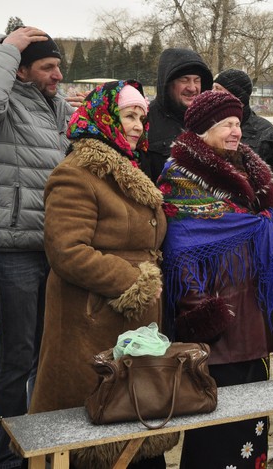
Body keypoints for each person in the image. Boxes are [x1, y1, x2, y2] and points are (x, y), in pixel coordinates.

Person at [31, 81, 174, 468]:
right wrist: (133, 281)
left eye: (142, 117)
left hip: (130, 323)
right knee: (89, 436)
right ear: (104, 118)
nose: (139, 126)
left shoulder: (127, 169)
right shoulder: (75, 174)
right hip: (90, 320)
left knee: (132, 428)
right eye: (129, 116)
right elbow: (67, 251)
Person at [0, 25, 76, 469]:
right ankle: (4, 457)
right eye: (48, 66)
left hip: (54, 248)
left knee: (49, 357)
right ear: (23, 70)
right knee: (16, 357)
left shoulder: (59, 107)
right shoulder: (3, 105)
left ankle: (40, 450)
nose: (58, 74)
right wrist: (7, 48)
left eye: (59, 66)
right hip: (13, 250)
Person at [159, 90, 273, 469]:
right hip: (219, 329)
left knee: (252, 426)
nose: (235, 132)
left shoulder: (249, 177)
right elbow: (180, 250)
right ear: (202, 131)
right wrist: (202, 312)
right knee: (215, 426)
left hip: (252, 321)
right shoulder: (180, 180)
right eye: (226, 124)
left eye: (238, 124)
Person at [144, 48, 213, 182]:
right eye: (184, 80)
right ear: (168, 83)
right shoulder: (144, 121)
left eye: (197, 80)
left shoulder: (209, 120)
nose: (192, 88)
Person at [212, 68, 273, 153]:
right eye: (212, 88)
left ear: (236, 96)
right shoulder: (207, 124)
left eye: (218, 88)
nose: (212, 92)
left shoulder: (267, 134)